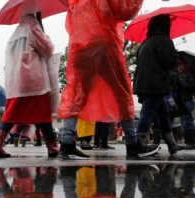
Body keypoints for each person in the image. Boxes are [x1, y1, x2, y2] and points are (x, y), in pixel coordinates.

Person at [57, 0, 158, 159]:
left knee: (77, 95)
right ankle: (132, 143)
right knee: (121, 93)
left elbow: (70, 25)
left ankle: (67, 142)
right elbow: (125, 12)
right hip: (103, 44)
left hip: (78, 47)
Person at [0, 0, 59, 158]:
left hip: (16, 81)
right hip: (34, 79)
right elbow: (48, 50)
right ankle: (52, 146)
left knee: (11, 113)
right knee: (43, 114)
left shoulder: (16, 33)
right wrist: (46, 36)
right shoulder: (33, 28)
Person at [134, 15, 182, 155]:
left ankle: (172, 144)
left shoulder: (145, 42)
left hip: (144, 83)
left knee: (164, 113)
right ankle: (140, 144)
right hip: (156, 84)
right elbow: (170, 63)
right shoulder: (165, 41)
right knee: (148, 112)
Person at [175, 54, 195, 149]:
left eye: (182, 65)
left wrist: (181, 84)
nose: (180, 67)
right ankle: (188, 141)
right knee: (184, 121)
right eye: (179, 65)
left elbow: (190, 87)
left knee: (188, 120)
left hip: (188, 100)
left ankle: (191, 141)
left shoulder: (189, 75)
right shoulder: (182, 75)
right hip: (183, 100)